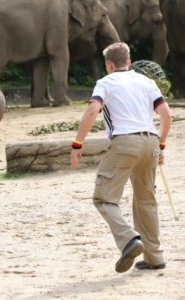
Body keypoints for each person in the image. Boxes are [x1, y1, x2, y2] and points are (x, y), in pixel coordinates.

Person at [70, 42, 172, 273]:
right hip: (151, 141)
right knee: (146, 200)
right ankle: (154, 257)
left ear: (109, 64)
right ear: (129, 60)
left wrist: (77, 144)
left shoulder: (106, 82)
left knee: (104, 199)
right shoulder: (147, 82)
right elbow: (166, 115)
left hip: (125, 142)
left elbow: (92, 111)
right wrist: (161, 146)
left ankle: (129, 239)